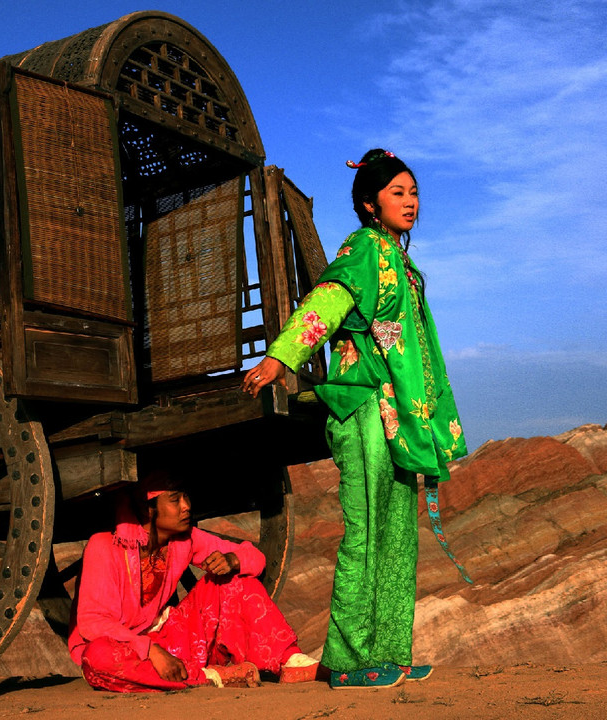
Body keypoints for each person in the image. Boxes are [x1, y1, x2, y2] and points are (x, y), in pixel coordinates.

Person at [241, 149, 470, 689]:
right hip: (363, 400)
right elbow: (331, 298)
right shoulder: (364, 249)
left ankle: (389, 651)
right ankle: (345, 661)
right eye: (398, 193)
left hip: (397, 413)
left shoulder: (402, 262)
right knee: (364, 531)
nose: (410, 202)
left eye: (414, 192)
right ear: (369, 204)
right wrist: (282, 357)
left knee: (397, 536)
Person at [67, 474, 318, 692]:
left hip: (170, 641)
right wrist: (150, 651)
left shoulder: (185, 540)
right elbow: (92, 623)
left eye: (185, 497)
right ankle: (209, 678)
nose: (186, 506)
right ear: (148, 509)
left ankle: (290, 661)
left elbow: (255, 557)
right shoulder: (103, 546)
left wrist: (232, 560)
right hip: (127, 650)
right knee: (97, 657)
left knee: (235, 580)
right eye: (175, 500)